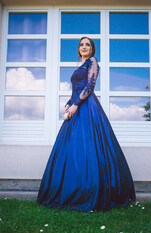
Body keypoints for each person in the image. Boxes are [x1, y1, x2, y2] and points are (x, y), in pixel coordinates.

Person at [37, 36, 136, 212]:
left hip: (87, 107)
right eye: (81, 45)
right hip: (76, 105)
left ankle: (92, 191)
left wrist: (76, 105)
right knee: (73, 149)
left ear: (92, 49)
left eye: (87, 45)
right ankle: (71, 189)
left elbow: (89, 86)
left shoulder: (92, 61)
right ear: (78, 49)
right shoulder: (80, 66)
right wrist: (68, 104)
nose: (84, 47)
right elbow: (76, 89)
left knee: (90, 146)